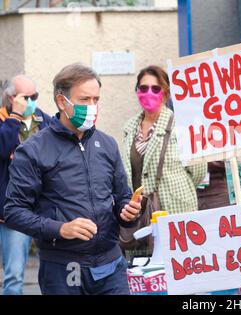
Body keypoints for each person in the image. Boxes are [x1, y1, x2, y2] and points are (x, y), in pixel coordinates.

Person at [4, 63, 141, 295]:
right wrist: (61, 229)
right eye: (84, 100)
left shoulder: (107, 144)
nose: (92, 107)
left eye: (96, 100)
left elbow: (122, 197)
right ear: (61, 102)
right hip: (63, 268)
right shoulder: (33, 150)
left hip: (110, 263)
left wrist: (128, 212)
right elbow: (14, 211)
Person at [121, 65, 207, 255]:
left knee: (178, 265)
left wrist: (175, 186)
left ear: (166, 94)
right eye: (143, 88)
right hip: (141, 213)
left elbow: (199, 171)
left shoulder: (182, 125)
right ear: (137, 92)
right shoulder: (129, 127)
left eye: (155, 88)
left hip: (175, 209)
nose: (148, 93)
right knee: (144, 268)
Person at [0, 75, 51, 295]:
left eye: (34, 96)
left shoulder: (43, 119)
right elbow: (3, 149)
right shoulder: (4, 121)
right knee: (14, 276)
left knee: (52, 272)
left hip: (44, 208)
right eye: (25, 97)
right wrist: (15, 117)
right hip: (14, 211)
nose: (31, 101)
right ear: (11, 97)